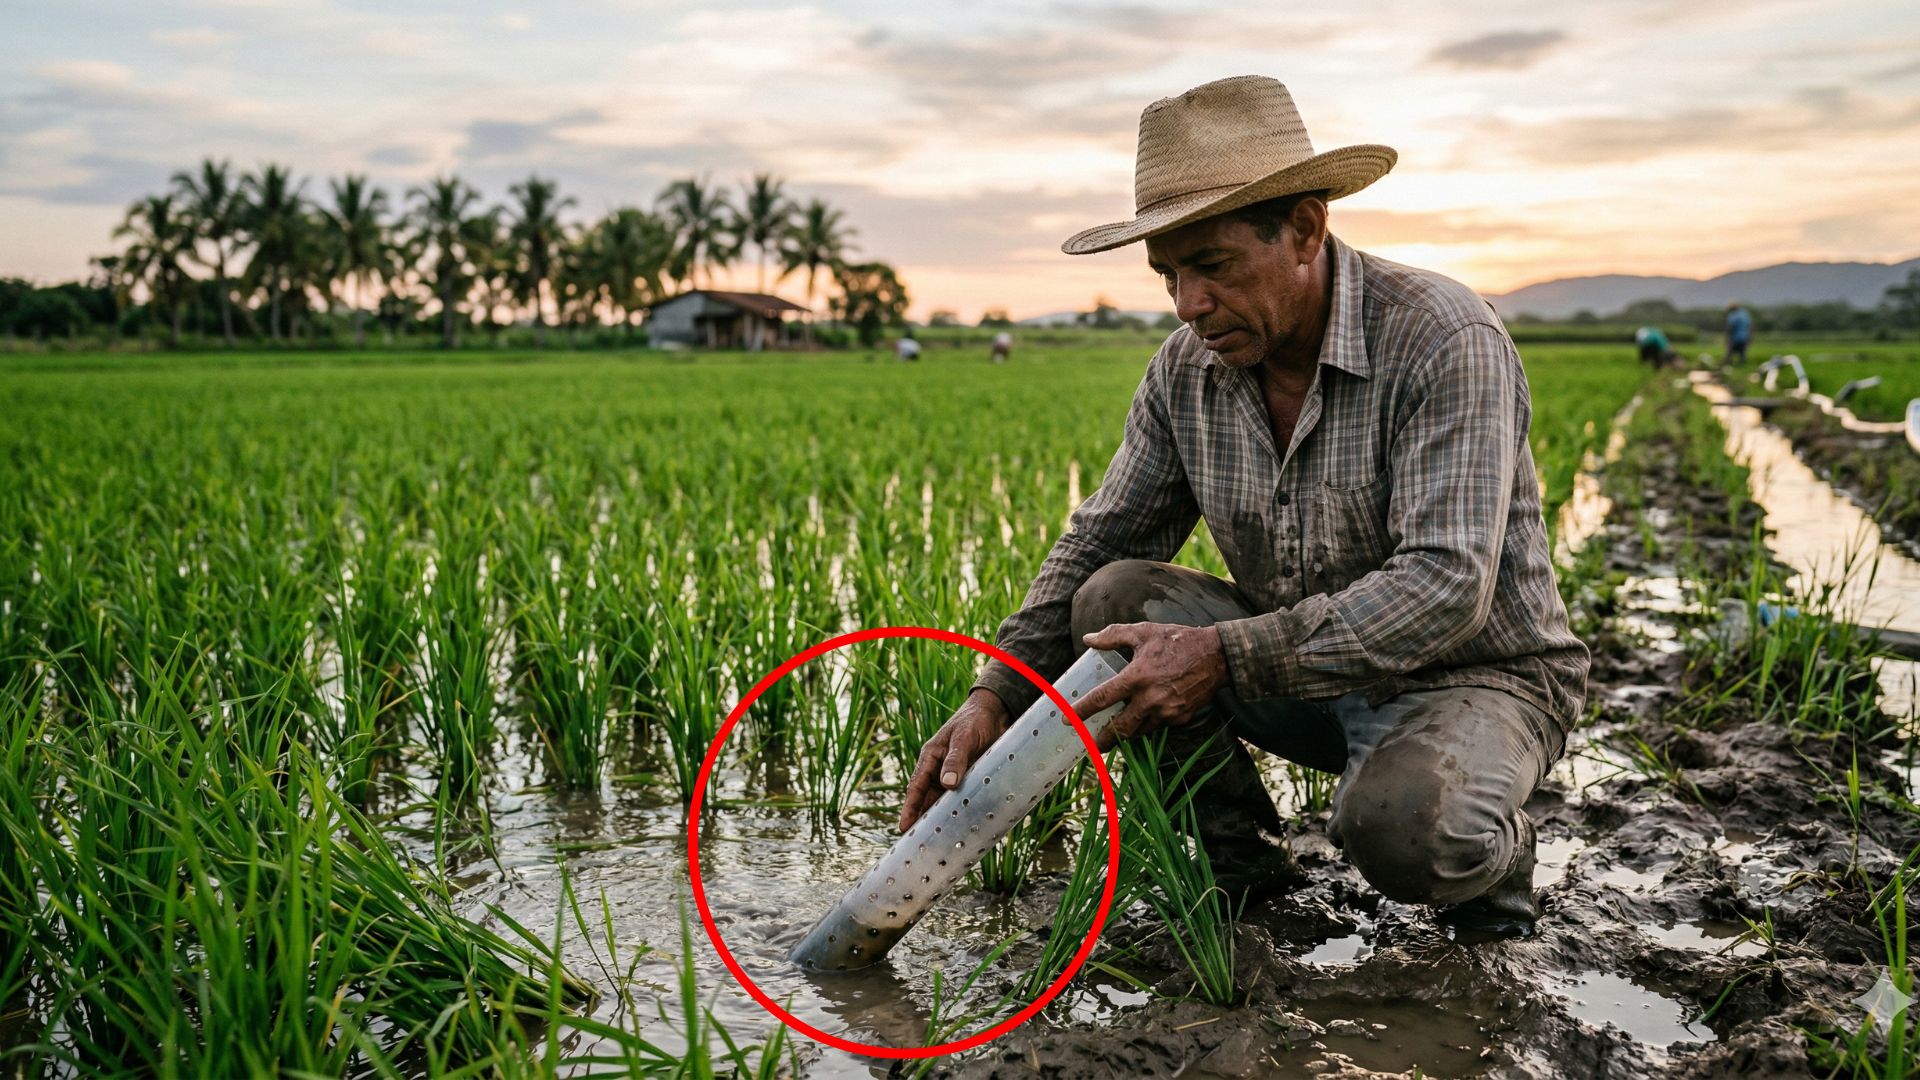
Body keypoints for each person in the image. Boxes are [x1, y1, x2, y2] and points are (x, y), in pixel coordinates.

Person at [897, 75, 1588, 939]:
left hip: (1476, 679)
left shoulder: (1443, 339)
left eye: (1213, 266)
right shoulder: (1187, 370)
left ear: (1305, 229)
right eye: (1170, 274)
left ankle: (1498, 868)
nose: (1189, 303)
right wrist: (996, 692)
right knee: (1112, 603)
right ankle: (1247, 881)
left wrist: (1222, 655)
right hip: (1303, 674)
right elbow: (1104, 535)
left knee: (1406, 829)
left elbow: (1446, 585)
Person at [1724, 301, 1752, 366]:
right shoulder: (1745, 314)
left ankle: (1727, 367)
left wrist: (1727, 338)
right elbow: (1750, 326)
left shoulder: (1733, 315)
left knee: (1729, 353)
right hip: (1745, 337)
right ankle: (1742, 368)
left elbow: (1730, 327)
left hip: (1735, 338)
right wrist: (1750, 337)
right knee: (1742, 354)